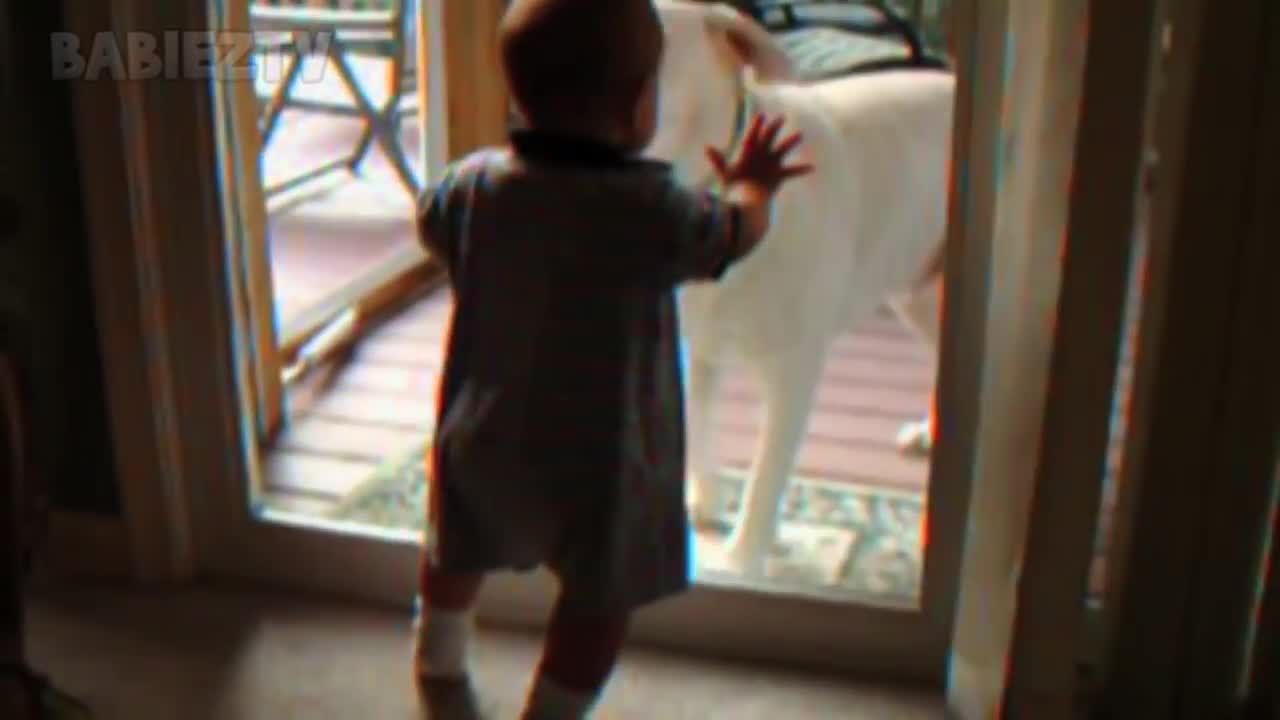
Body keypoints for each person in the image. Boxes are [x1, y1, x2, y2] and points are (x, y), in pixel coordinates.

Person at [411, 1, 811, 717]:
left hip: (484, 432)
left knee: (456, 544)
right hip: (603, 461)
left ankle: (437, 659)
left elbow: (433, 225)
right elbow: (731, 236)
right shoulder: (654, 209)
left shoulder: (473, 184)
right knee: (600, 601)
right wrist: (755, 185)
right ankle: (552, 711)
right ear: (636, 107)